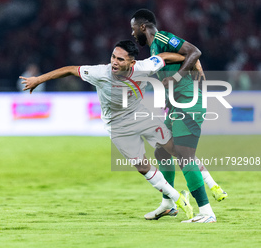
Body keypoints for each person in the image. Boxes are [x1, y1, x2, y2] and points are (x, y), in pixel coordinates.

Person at [20, 40, 204, 221]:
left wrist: (191, 60)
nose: (114, 62)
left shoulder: (144, 66)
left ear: (132, 63)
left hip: (140, 115)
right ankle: (177, 198)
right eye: (113, 57)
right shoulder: (100, 72)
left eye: (120, 59)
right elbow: (69, 69)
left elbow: (164, 57)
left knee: (177, 150)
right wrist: (38, 79)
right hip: (117, 126)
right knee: (142, 167)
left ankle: (207, 192)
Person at [131, 9, 227, 223]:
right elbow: (184, 62)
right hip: (177, 104)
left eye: (133, 28)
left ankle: (206, 212)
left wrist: (175, 78)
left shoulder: (162, 37)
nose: (132, 33)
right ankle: (168, 204)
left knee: (185, 156)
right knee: (161, 151)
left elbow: (194, 52)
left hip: (190, 103)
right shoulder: (155, 49)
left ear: (143, 27)